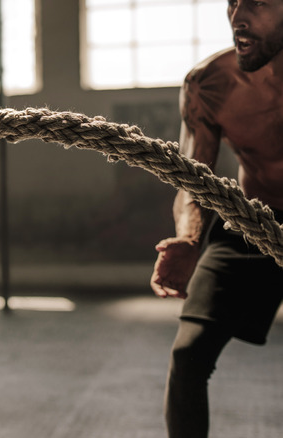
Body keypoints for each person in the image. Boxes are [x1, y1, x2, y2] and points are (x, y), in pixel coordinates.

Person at [150, 1, 283, 437]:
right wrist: (189, 239)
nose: (238, 17)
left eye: (258, 3)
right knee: (188, 357)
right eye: (232, 2)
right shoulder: (210, 83)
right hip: (252, 219)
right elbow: (193, 176)